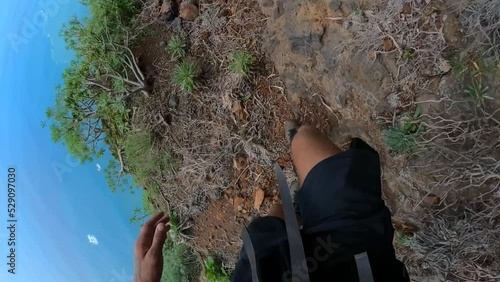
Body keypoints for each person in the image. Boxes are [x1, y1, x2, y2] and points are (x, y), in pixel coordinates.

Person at [133, 121, 410, 282]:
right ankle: (300, 199)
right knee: (304, 140)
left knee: (269, 236)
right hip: (349, 249)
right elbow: (263, 247)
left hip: (355, 263)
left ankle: (299, 205)